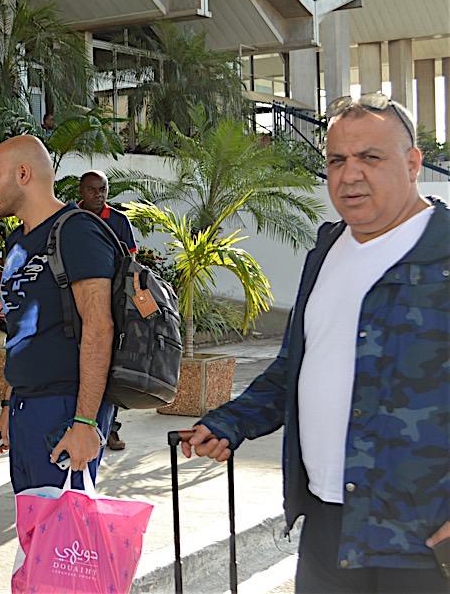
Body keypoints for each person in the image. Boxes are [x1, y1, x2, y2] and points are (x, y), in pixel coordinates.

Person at [183, 94, 448, 592]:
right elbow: (296, 367)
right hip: (327, 524)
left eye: (370, 157)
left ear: (413, 164)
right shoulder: (325, 250)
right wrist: (230, 422)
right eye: (336, 160)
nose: (350, 175)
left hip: (423, 538)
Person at [0, 135, 117, 494]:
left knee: (64, 527)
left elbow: (99, 327)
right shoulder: (17, 241)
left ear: (23, 174)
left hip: (65, 409)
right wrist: (9, 405)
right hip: (25, 408)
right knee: (35, 524)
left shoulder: (77, 231)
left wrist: (85, 422)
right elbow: (21, 329)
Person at [77, 169, 137, 451]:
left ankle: (110, 428)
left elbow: (131, 263)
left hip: (111, 303)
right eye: (92, 189)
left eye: (102, 189)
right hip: (74, 304)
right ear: (81, 191)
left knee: (109, 366)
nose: (98, 195)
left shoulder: (119, 220)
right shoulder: (70, 219)